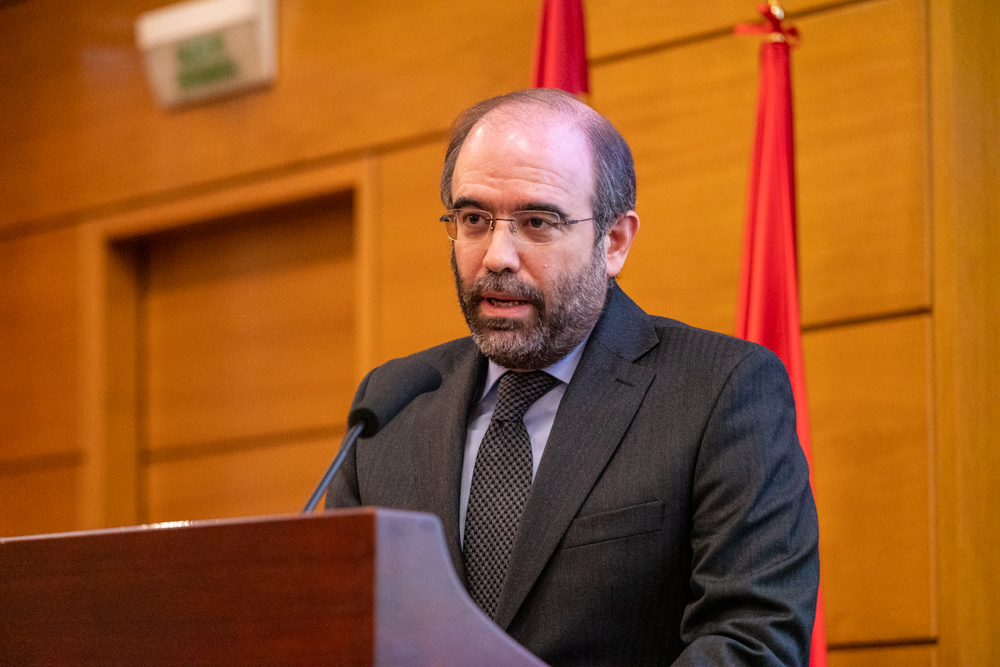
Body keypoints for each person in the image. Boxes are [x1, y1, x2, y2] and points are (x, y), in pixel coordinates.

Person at [327, 88, 819, 666]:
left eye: (537, 222)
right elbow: (337, 632)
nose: (497, 256)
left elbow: (753, 640)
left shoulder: (719, 391)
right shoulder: (390, 407)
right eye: (474, 219)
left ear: (614, 242)